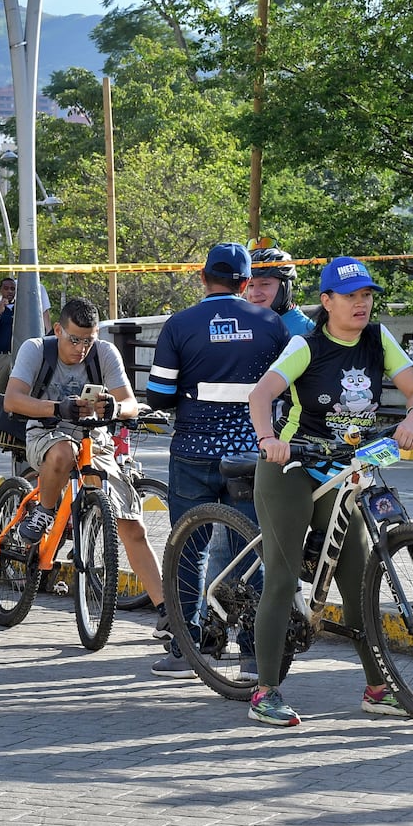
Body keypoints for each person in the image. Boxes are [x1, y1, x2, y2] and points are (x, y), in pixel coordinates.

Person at [245, 257, 413, 726]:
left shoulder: (378, 339)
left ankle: (376, 689)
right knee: (283, 577)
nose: (361, 304)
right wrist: (269, 440)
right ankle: (264, 692)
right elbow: (261, 396)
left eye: (367, 296)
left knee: (359, 579)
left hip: (345, 470)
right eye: (350, 297)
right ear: (326, 302)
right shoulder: (305, 345)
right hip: (292, 467)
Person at [146, 242, 291, 677]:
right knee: (251, 553)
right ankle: (252, 656)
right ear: (246, 283)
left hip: (193, 453)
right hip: (252, 456)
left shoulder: (180, 325)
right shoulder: (272, 325)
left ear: (203, 277)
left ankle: (188, 650)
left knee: (187, 550)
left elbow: (158, 395)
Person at [3, 297, 167, 629]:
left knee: (132, 525)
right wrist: (56, 408)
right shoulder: (36, 350)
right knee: (63, 452)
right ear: (58, 329)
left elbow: (131, 402)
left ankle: (167, 613)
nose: (81, 348)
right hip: (45, 433)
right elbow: (13, 398)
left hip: (95, 441)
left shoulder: (105, 353)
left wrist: (116, 409)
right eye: (73, 339)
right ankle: (44, 512)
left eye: (88, 339)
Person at [0, 277, 53, 393]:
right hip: (0, 356)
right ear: (0, 290)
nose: (9, 292)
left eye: (13, 289)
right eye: (6, 288)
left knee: (21, 388)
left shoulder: (22, 309)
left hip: (19, 355)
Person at [246, 243, 314, 336]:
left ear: (284, 287)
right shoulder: (243, 324)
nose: (255, 293)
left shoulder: (306, 331)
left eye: (264, 284)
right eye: (250, 285)